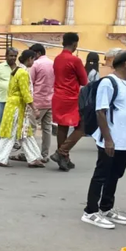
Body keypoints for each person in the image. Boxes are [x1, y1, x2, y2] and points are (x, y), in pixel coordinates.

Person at [81, 50, 126, 229]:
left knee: (115, 174)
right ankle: (90, 211)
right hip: (111, 138)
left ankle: (106, 207)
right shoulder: (108, 83)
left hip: (125, 140)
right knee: (102, 174)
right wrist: (108, 139)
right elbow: (101, 111)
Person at [0, 50, 46, 168]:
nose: (33, 62)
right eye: (33, 59)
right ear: (29, 59)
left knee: (24, 132)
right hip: (17, 107)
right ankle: (1, 158)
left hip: (13, 106)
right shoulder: (22, 73)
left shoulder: (16, 70)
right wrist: (34, 108)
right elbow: (25, 93)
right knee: (13, 133)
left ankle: (34, 158)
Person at [50, 32, 89, 171]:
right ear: (75, 44)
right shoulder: (75, 60)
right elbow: (84, 81)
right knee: (82, 126)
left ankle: (64, 159)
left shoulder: (57, 58)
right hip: (71, 97)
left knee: (62, 127)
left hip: (58, 96)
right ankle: (62, 152)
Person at [28, 44, 54, 158]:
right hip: (50, 100)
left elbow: (30, 83)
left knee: (31, 128)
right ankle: (44, 155)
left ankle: (30, 154)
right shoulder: (52, 63)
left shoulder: (36, 64)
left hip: (37, 101)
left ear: (37, 53)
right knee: (47, 129)